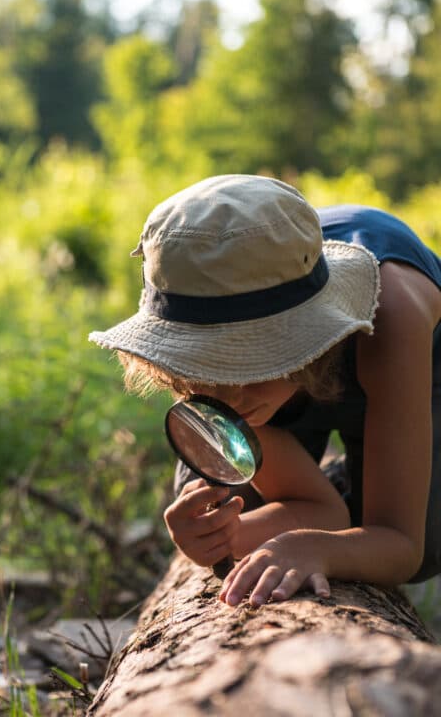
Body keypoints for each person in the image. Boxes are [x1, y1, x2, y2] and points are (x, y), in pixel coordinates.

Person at [89, 174, 441, 608]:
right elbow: (310, 515)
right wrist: (223, 535)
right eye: (207, 363)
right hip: (291, 355)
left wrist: (319, 547)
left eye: (250, 360)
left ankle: (357, 483)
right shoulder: (197, 278)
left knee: (429, 534)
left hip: (410, 363)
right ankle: (345, 485)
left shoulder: (394, 319)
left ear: (301, 333)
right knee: (235, 496)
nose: (228, 397)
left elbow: (402, 546)